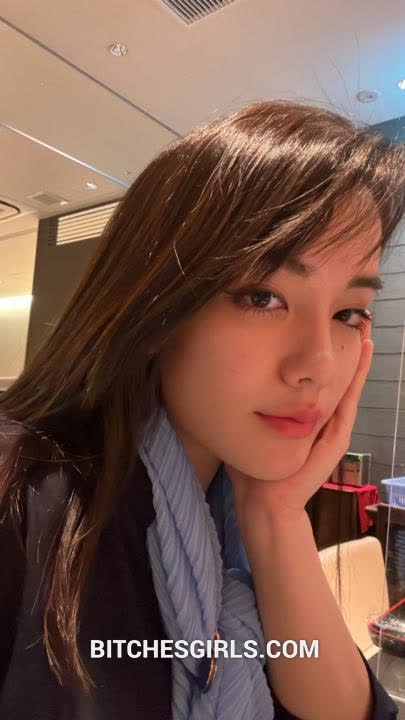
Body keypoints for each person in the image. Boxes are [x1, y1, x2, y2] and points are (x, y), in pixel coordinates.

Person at [0, 99, 404, 720]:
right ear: (156, 302)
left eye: (348, 312)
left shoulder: (233, 509)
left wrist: (275, 516)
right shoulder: (23, 492)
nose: (319, 364)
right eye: (263, 297)